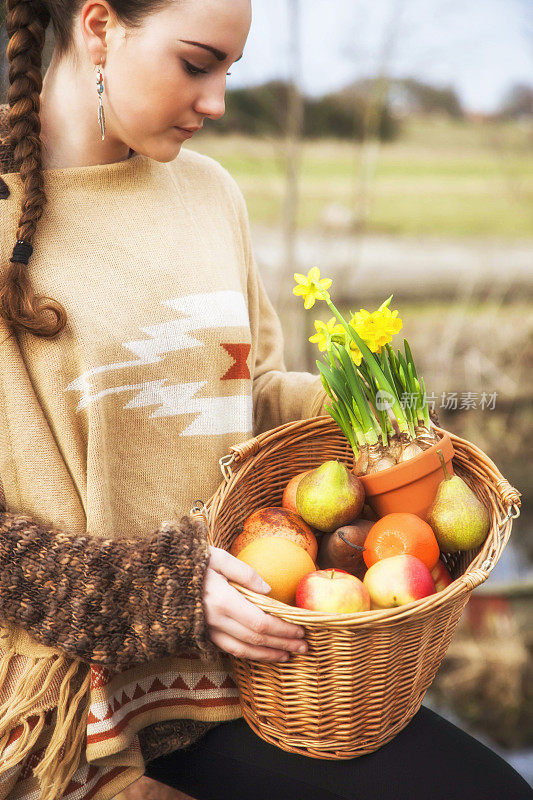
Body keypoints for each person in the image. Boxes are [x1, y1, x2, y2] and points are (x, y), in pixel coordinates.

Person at [0, 0, 530, 799]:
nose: (216, 102)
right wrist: (169, 590)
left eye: (229, 71)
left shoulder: (211, 194)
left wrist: (378, 423)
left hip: (265, 664)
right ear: (100, 26)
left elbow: (251, 400)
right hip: (82, 704)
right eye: (195, 63)